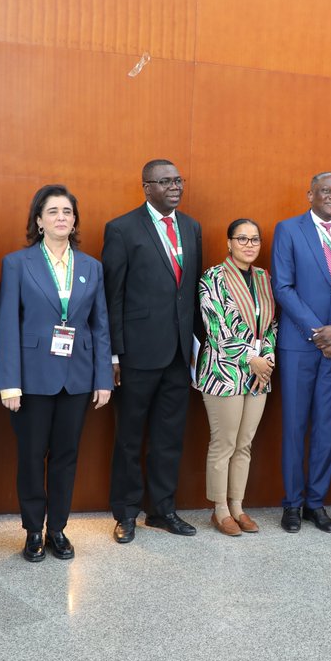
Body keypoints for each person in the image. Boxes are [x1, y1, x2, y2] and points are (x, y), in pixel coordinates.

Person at [0, 185, 112, 561]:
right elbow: (8, 326)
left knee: (67, 455)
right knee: (31, 456)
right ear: (39, 220)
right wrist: (8, 383)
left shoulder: (91, 267)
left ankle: (58, 528)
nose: (61, 217)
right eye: (53, 211)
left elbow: (100, 327)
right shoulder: (18, 263)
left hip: (77, 378)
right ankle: (32, 530)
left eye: (67, 211)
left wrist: (103, 379)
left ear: (74, 220)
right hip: (31, 379)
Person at [102, 160, 202, 543]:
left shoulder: (191, 228)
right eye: (165, 181)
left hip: (178, 355)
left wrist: (195, 349)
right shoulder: (122, 229)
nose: (174, 187)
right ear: (146, 187)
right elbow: (113, 298)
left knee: (169, 437)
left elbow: (189, 294)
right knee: (129, 438)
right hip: (135, 356)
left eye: (178, 180)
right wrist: (113, 355)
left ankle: (162, 511)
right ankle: (126, 513)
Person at [271, 172, 331, 534]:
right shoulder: (288, 229)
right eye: (326, 191)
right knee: (295, 425)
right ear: (309, 194)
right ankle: (292, 503)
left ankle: (315, 502)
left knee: (328, 425)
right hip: (300, 344)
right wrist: (318, 332)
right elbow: (283, 286)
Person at [195, 219, 277, 536]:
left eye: (254, 239)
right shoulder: (213, 277)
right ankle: (219, 510)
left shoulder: (263, 278)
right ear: (228, 242)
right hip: (223, 371)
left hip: (259, 375)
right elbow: (217, 327)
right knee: (224, 443)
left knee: (244, 444)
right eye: (241, 238)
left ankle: (239, 507)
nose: (249, 244)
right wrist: (251, 358)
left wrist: (267, 359)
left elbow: (270, 325)